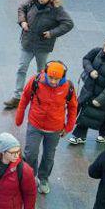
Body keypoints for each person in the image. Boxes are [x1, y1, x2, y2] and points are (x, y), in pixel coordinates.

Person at [4, 0, 74, 109]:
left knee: (41, 72)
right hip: (28, 42)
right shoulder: (32, 2)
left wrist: (52, 33)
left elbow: (69, 23)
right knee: (21, 68)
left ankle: (39, 96)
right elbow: (21, 8)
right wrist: (23, 21)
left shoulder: (56, 9)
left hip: (43, 46)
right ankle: (17, 96)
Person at [14, 61, 76, 194]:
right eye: (51, 78)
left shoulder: (68, 87)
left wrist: (69, 127)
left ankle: (43, 178)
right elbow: (24, 98)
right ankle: (30, 177)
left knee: (49, 156)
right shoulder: (36, 81)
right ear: (46, 74)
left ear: (62, 77)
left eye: (57, 79)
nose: (53, 81)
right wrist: (19, 117)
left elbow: (73, 107)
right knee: (30, 153)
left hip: (55, 128)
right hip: (35, 124)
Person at [69, 37, 105, 145]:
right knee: (86, 112)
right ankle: (79, 136)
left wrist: (100, 99)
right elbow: (86, 59)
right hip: (90, 90)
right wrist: (90, 70)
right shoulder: (97, 52)